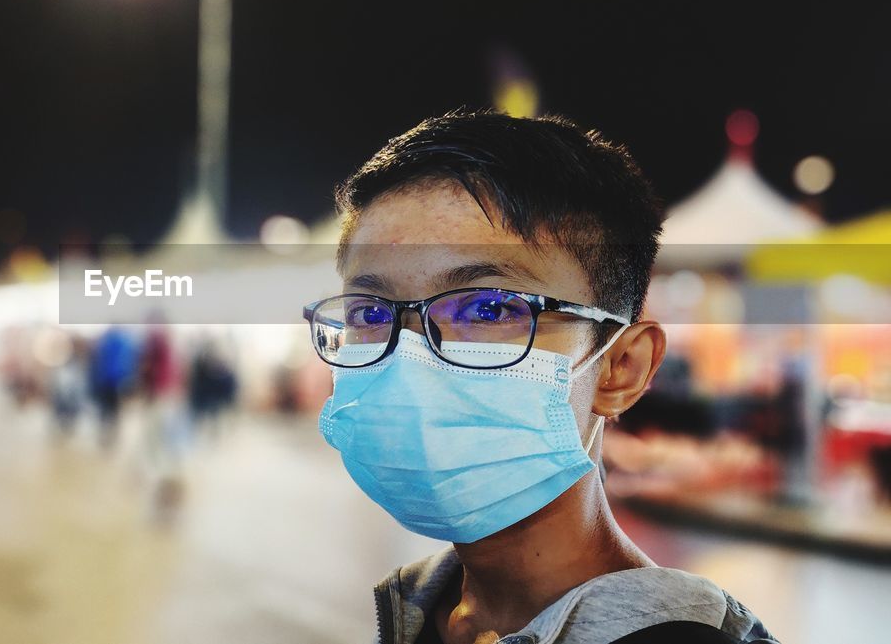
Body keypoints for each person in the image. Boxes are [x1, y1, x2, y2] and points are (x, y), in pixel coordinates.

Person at [304, 110, 777, 644]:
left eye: (487, 309)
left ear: (621, 368)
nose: (408, 355)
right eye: (370, 314)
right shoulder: (419, 607)